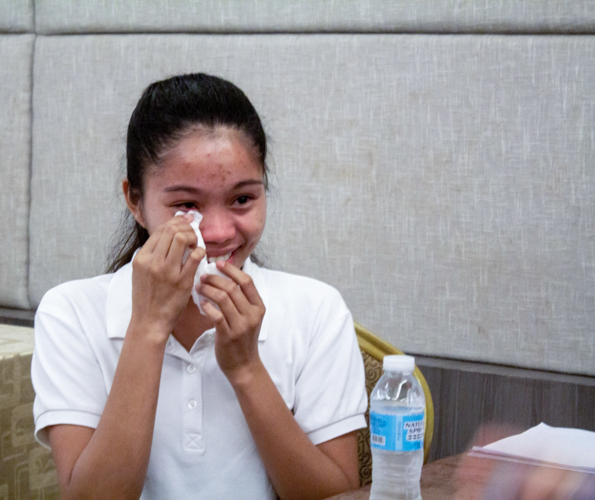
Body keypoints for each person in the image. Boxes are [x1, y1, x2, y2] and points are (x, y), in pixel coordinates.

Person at [31, 73, 368, 499]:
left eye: (243, 199)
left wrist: (246, 369)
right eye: (187, 206)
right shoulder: (71, 312)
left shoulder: (317, 309)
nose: (218, 231)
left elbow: (336, 494)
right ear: (135, 201)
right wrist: (149, 328)